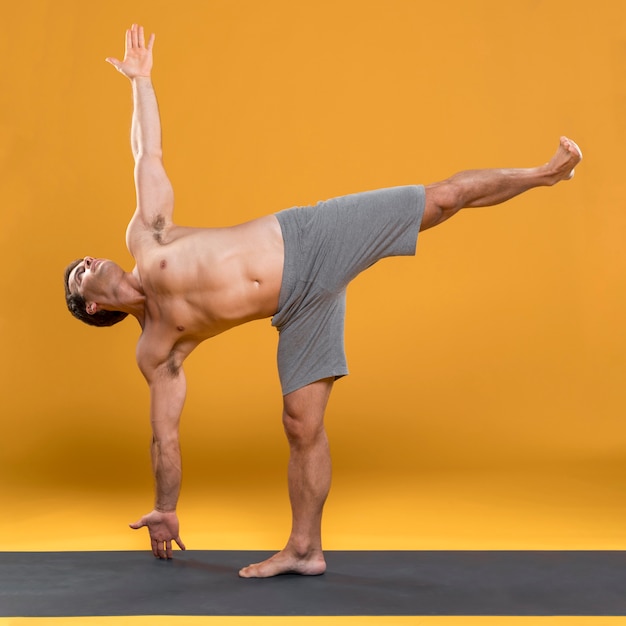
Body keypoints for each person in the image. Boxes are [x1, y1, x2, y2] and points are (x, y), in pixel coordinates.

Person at [64, 24, 582, 578]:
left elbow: (148, 153)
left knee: (443, 199)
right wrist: (166, 508)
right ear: (93, 307)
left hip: (311, 237)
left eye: (85, 258)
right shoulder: (157, 347)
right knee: (300, 425)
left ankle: (545, 173)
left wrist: (140, 82)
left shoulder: (146, 236)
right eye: (78, 275)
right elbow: (163, 435)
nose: (89, 262)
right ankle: (305, 550)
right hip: (298, 310)